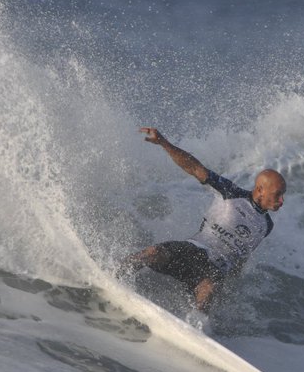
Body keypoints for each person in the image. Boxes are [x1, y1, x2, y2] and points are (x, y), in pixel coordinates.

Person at [120, 127, 285, 313]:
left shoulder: (266, 226)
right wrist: (164, 144)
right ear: (260, 189)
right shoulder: (230, 193)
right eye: (277, 194)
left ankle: (197, 329)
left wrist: (229, 287)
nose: (281, 200)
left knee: (208, 289)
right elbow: (195, 168)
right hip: (194, 250)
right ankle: (114, 275)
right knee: (153, 253)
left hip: (214, 270)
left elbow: (241, 258)